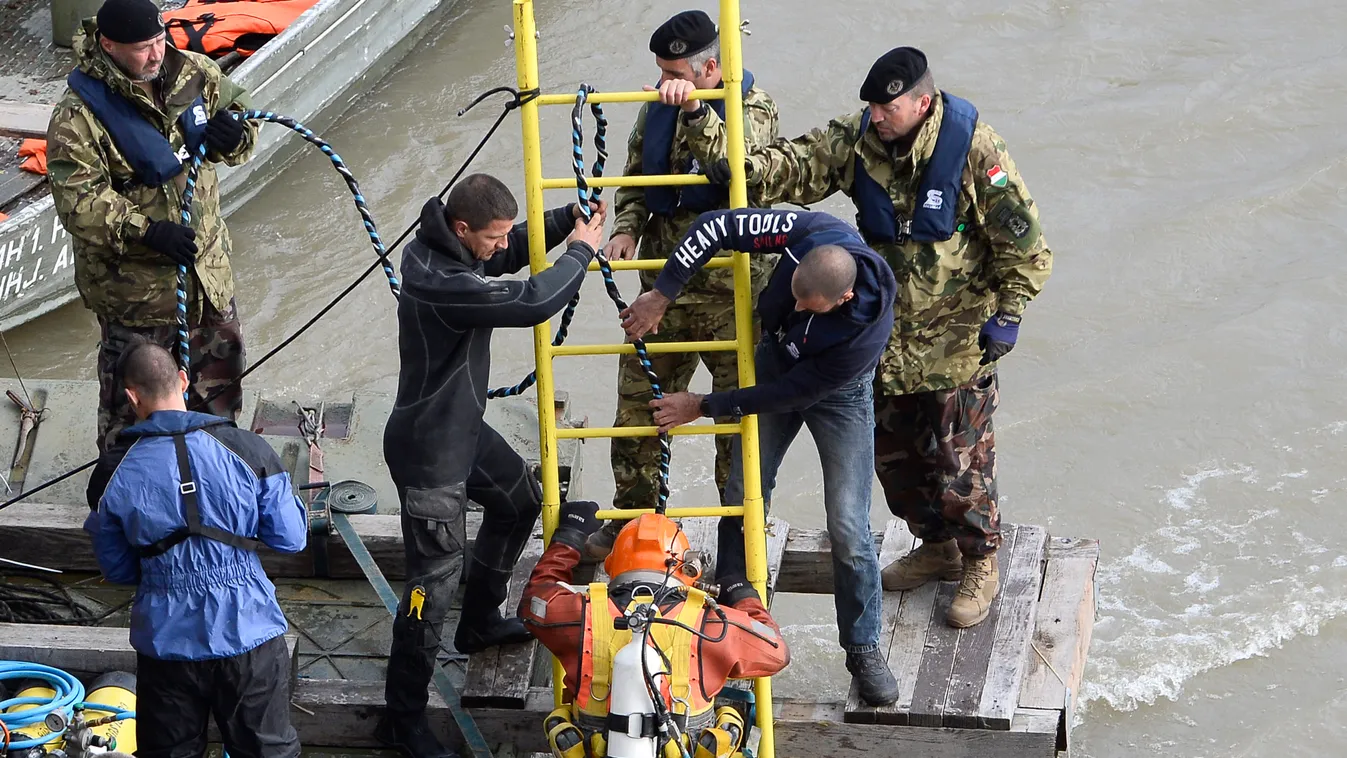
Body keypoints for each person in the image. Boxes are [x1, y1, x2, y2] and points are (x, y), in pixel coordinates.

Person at [697, 47, 1054, 628]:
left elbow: (1026, 246)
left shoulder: (974, 149)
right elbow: (794, 165)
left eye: (887, 107)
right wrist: (728, 157)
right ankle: (934, 548)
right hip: (879, 341)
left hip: (956, 343)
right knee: (895, 463)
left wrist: (1008, 315)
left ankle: (979, 560)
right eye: (872, 107)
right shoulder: (858, 140)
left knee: (958, 462)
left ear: (922, 101)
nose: (877, 116)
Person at [621, 208, 900, 706]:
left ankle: (863, 648)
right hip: (776, 364)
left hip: (833, 392)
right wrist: (662, 293)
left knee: (849, 527)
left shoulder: (863, 330)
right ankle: (733, 581)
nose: (796, 306)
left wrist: (702, 405)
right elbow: (714, 226)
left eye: (807, 307)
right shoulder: (805, 230)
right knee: (743, 489)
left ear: (843, 299)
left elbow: (788, 395)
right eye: (793, 293)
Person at [378, 174, 606, 758]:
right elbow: (532, 301)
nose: (503, 247)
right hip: (430, 453)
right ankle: (402, 723)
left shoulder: (449, 247)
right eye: (494, 237)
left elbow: (510, 249)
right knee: (429, 594)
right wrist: (581, 250)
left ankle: (479, 620)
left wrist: (565, 220)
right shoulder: (441, 283)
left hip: (460, 429)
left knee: (520, 501)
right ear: (462, 230)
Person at [588, 9, 780, 561]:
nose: (661, 83)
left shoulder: (755, 108)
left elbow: (735, 165)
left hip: (730, 292)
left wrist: (695, 112)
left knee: (735, 422)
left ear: (710, 67)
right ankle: (636, 521)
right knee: (636, 409)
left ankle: (738, 536)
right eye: (660, 72)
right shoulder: (656, 111)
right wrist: (626, 229)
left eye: (673, 73)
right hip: (660, 293)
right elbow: (634, 181)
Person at [47, 0, 260, 453]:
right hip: (137, 301)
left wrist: (237, 135)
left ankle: (217, 483)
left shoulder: (196, 73)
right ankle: (131, 495)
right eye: (143, 48)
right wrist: (146, 231)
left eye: (160, 40)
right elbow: (78, 203)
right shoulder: (77, 118)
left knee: (218, 405)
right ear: (109, 46)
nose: (157, 54)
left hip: (208, 284)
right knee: (133, 421)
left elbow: (244, 112)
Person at [84, 339, 307, 758]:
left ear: (132, 397)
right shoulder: (249, 448)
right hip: (249, 634)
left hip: (167, 645)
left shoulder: (111, 472)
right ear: (184, 381)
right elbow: (291, 539)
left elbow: (118, 570)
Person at [520, 502, 789, 758]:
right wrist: (738, 590)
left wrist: (570, 535)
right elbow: (775, 650)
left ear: (612, 566)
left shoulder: (581, 616)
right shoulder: (712, 625)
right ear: (687, 568)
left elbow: (536, 600)